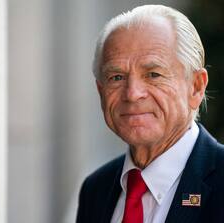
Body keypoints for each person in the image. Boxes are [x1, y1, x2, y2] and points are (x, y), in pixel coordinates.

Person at [76, 4, 224, 223]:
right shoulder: (96, 189)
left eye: (153, 74)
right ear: (101, 91)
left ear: (195, 87)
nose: (133, 94)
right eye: (117, 77)